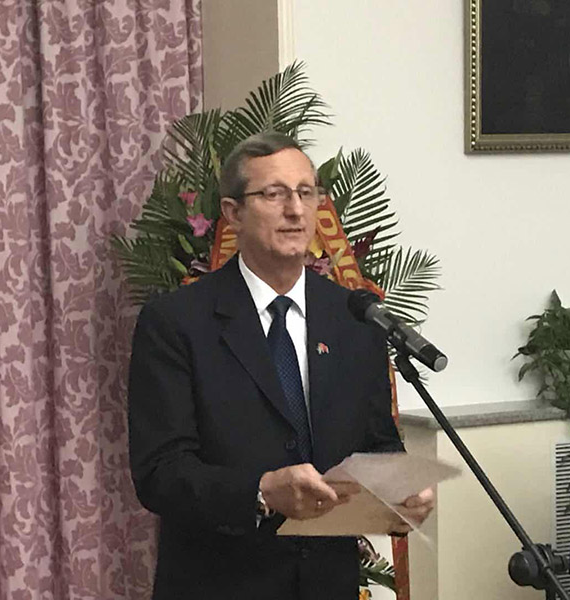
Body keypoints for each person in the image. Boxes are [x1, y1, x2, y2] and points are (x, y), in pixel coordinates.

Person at [128, 132, 434, 600]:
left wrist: (398, 494)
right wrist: (261, 490)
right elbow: (160, 474)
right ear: (233, 214)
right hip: (219, 584)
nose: (295, 210)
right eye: (274, 194)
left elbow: (377, 444)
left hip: (326, 584)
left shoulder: (356, 317)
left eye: (306, 192)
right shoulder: (176, 322)